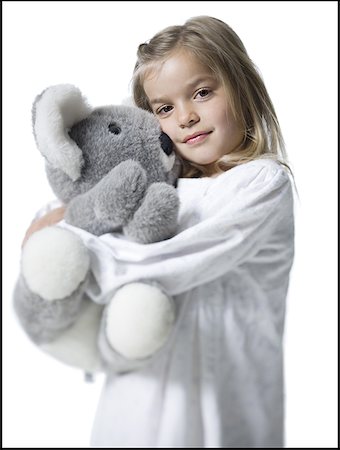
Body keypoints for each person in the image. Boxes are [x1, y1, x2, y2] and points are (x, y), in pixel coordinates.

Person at [21, 16, 295, 448]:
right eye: (164, 108)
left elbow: (155, 260)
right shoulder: (159, 183)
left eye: (202, 92)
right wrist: (64, 221)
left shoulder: (259, 184)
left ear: (241, 87)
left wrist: (67, 237)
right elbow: (94, 194)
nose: (186, 117)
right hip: (136, 405)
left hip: (222, 410)